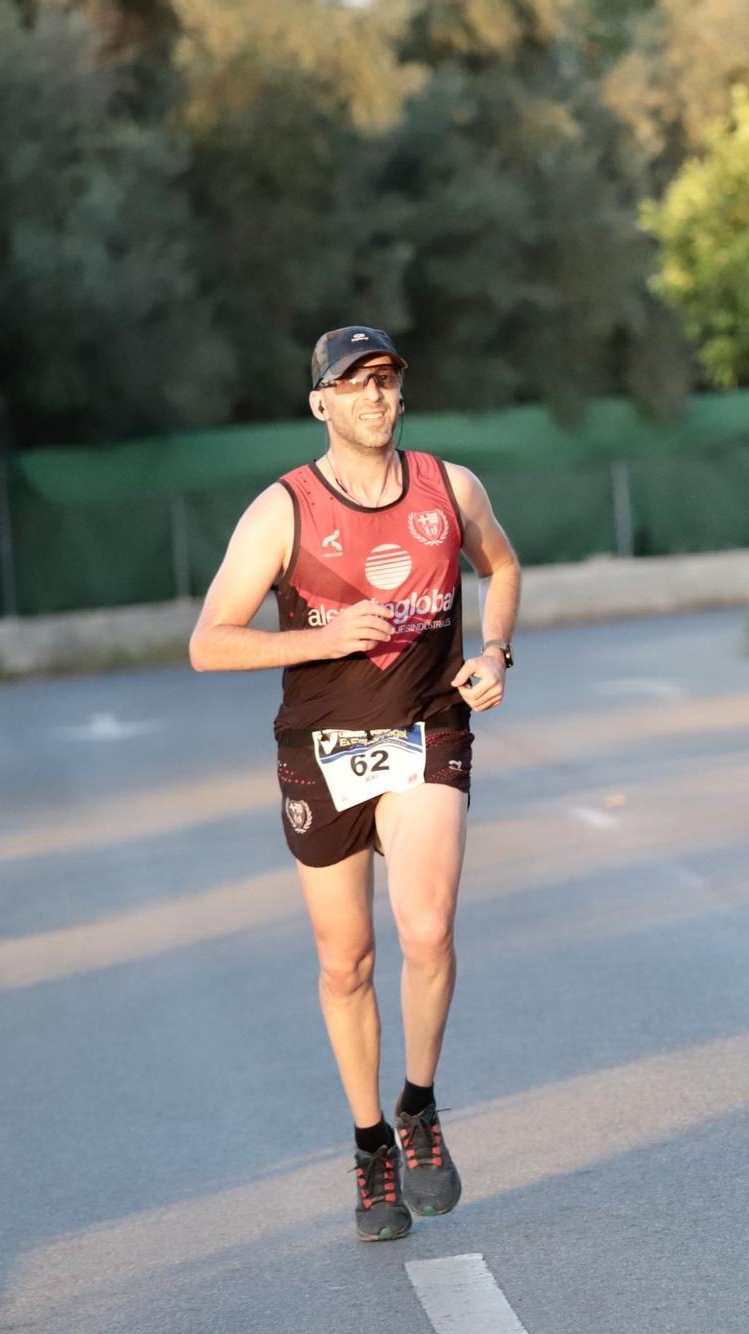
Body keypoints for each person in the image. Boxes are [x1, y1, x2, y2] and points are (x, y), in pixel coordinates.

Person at [190, 327, 521, 1241]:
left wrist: (495, 650)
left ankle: (416, 1106)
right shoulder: (283, 510)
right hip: (321, 748)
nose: (375, 396)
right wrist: (318, 639)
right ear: (320, 404)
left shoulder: (449, 489)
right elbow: (209, 641)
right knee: (347, 962)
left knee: (426, 929)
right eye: (354, 383)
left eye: (387, 379)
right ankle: (371, 1145)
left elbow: (504, 565)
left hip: (427, 732)